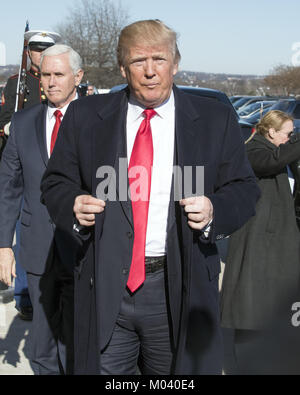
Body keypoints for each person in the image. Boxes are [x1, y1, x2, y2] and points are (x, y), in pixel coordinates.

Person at [41, 19, 260, 375]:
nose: (149, 72)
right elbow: (56, 182)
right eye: (138, 61)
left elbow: (245, 188)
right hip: (105, 285)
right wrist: (72, 204)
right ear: (123, 67)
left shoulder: (213, 119)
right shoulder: (85, 116)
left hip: (176, 287)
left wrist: (213, 210)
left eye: (159, 59)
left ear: (175, 63)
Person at [0, 44, 84, 374]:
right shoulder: (23, 123)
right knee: (43, 343)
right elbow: (7, 188)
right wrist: (5, 245)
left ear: (77, 76)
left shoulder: (100, 119)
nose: (50, 82)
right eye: (45, 75)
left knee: (78, 340)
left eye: (58, 74)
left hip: (85, 248)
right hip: (37, 250)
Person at [221, 110, 300, 374]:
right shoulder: (254, 151)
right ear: (271, 132)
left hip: (281, 243)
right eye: (288, 134)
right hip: (258, 245)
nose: (290, 140)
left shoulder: (281, 152)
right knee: (251, 310)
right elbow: (270, 162)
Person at [0, 30, 61, 322]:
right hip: (25, 160)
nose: (40, 54)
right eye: (36, 50)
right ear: (29, 53)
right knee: (25, 229)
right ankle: (25, 296)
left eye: (46, 49)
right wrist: (8, 128)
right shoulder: (16, 83)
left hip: (51, 159)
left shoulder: (57, 81)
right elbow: (4, 117)